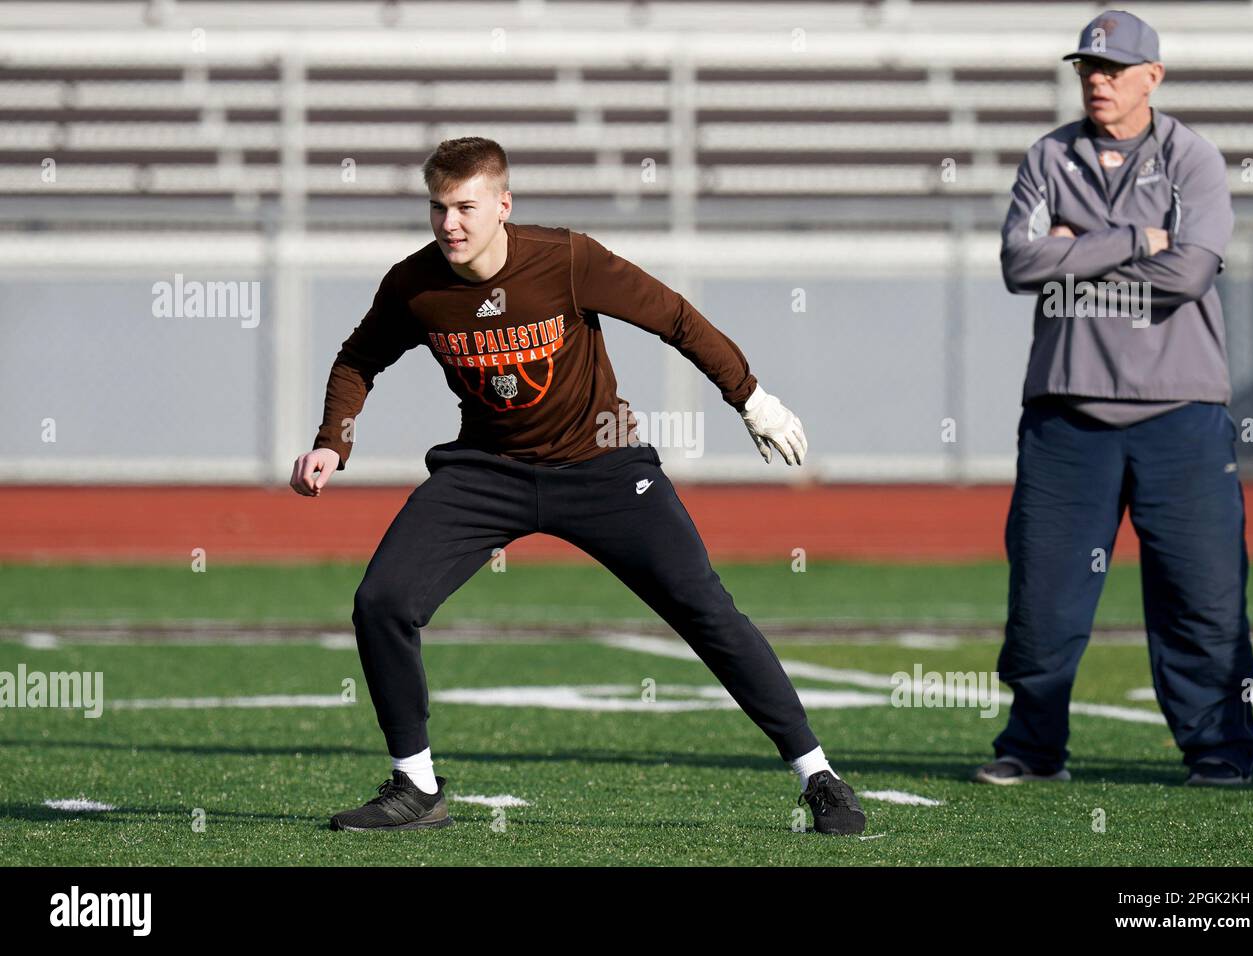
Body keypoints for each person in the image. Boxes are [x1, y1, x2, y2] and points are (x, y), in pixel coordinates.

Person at [290, 136, 865, 835]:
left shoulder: (565, 259)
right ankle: (416, 787)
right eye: (438, 208)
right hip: (487, 472)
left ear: (504, 204)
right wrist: (332, 442)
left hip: (603, 467)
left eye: (466, 208)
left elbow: (674, 317)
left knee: (705, 608)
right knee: (381, 601)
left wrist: (749, 397)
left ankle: (818, 774)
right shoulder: (415, 284)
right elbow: (359, 358)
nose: (450, 225)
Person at [975, 10, 1253, 787]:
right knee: (1044, 598)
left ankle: (1220, 751)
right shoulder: (1048, 156)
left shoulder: (1193, 160)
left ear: (1152, 78)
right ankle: (1032, 748)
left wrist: (1077, 249)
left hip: (1182, 412)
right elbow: (1020, 264)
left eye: (1113, 69)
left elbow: (1190, 275)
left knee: (1202, 596)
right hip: (1067, 414)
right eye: (1088, 69)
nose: (1098, 81)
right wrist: (1139, 240)